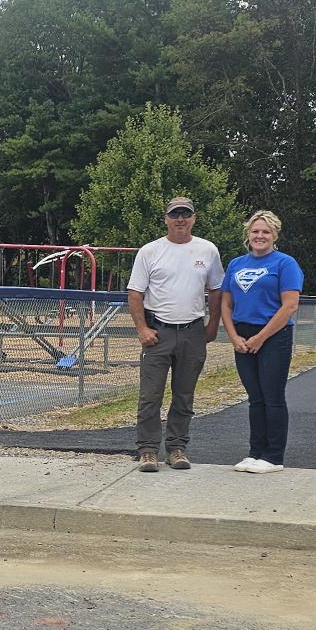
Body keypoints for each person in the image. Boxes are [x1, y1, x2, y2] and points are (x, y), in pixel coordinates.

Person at [126, 196, 223, 472]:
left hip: (192, 330)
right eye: (175, 214)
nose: (180, 219)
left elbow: (216, 290)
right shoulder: (150, 251)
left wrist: (212, 325)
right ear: (166, 219)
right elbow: (135, 293)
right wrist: (142, 328)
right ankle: (147, 450)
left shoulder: (207, 250)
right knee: (150, 395)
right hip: (159, 331)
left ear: (194, 218)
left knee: (184, 394)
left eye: (186, 214)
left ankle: (177, 447)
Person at [220, 210, 303, 474]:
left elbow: (290, 306)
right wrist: (234, 336)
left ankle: (273, 456)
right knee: (255, 398)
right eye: (255, 231)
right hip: (242, 334)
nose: (260, 236)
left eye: (266, 232)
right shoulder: (236, 264)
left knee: (272, 396)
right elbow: (225, 303)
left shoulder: (285, 264)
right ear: (248, 234)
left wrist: (261, 337)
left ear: (274, 235)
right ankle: (255, 452)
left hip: (273, 335)